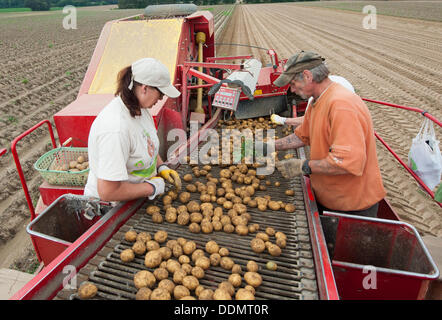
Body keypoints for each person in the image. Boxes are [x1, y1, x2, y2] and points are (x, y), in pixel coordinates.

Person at [272, 51, 386, 217]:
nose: (292, 89)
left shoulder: (341, 105)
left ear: (307, 75)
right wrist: (269, 146)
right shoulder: (317, 101)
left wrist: (303, 165)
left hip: (351, 208)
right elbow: (302, 136)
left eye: (293, 83)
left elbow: (346, 163)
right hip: (331, 199)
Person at [84, 58, 182, 202]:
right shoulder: (116, 128)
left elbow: (147, 143)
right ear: (144, 88)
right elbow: (108, 192)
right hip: (110, 208)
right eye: (161, 93)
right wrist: (152, 188)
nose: (162, 98)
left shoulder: (141, 110)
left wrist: (161, 167)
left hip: (134, 197)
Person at [270, 75, 355, 127]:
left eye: (293, 84)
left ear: (307, 77)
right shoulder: (333, 83)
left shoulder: (331, 100)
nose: (292, 90)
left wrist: (282, 120)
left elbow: (308, 121)